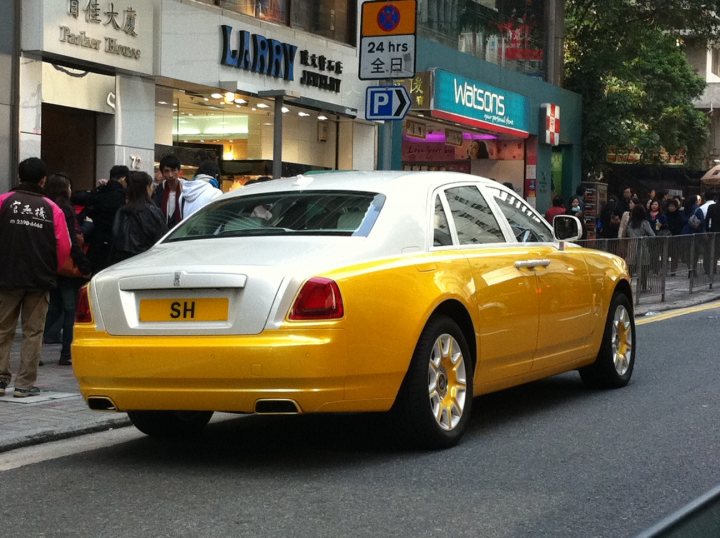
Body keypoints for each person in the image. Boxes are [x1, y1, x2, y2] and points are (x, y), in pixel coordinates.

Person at [0, 158, 71, 398]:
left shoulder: (3, 202)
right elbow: (64, 248)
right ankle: (24, 384)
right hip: (40, 279)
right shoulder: (52, 209)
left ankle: (0, 379)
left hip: (6, 277)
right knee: (33, 332)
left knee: (2, 329)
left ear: (19, 177)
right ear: (43, 180)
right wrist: (52, 269)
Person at [42, 173, 92, 365]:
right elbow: (71, 241)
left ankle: (36, 351)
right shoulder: (65, 210)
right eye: (69, 187)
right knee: (70, 309)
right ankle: (66, 353)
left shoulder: (45, 206)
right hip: (66, 266)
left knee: (52, 308)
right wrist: (84, 265)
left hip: (48, 265)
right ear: (64, 189)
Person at [109, 171, 168, 264]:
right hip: (146, 261)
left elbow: (115, 237)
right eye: (152, 186)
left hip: (121, 263)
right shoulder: (152, 211)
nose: (153, 190)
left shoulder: (121, 211)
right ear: (147, 188)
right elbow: (161, 238)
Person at [81, 165, 128, 274]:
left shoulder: (99, 192)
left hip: (96, 243)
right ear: (123, 179)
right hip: (115, 246)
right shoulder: (122, 197)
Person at [626, 204, 655, 290]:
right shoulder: (645, 223)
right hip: (643, 248)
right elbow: (652, 235)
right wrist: (646, 238)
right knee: (643, 268)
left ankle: (628, 286)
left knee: (630, 268)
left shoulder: (630, 224)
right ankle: (643, 286)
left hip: (631, 247)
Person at [153, 153, 184, 228]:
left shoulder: (187, 190)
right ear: (162, 173)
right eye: (167, 171)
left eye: (173, 170)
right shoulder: (157, 191)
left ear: (179, 171)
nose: (170, 175)